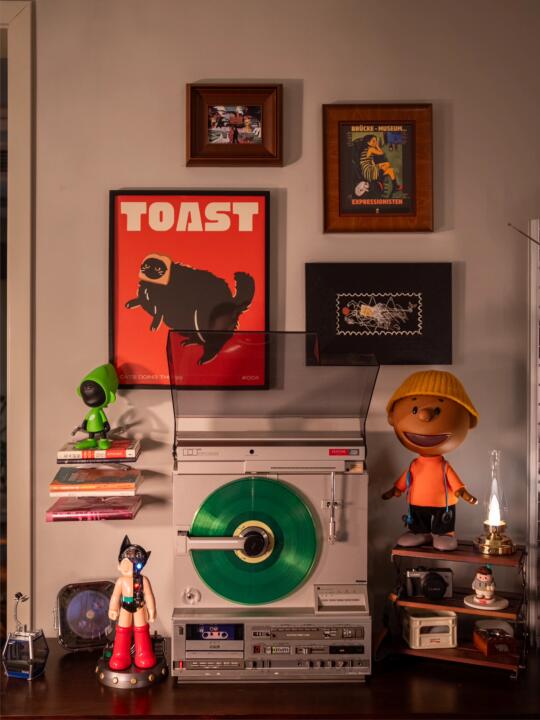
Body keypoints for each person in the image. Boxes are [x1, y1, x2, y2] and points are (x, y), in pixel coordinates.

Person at [381, 370, 479, 551]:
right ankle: (419, 532)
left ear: (468, 421)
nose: (424, 415)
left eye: (438, 410)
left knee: (443, 521)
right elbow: (404, 480)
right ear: (392, 418)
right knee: (418, 518)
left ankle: (445, 534)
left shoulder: (444, 466)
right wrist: (395, 490)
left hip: (443, 504)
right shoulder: (414, 465)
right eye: (414, 409)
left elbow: (456, 485)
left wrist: (464, 494)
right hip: (416, 502)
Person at [108, 536, 157, 670]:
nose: (128, 566)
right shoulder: (121, 581)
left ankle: (143, 653)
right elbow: (115, 596)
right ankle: (120, 655)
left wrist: (151, 610)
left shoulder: (143, 580)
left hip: (139, 606)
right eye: (125, 562)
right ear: (119, 565)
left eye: (133, 564)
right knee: (122, 630)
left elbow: (149, 595)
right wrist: (113, 609)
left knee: (142, 629)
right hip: (125, 606)